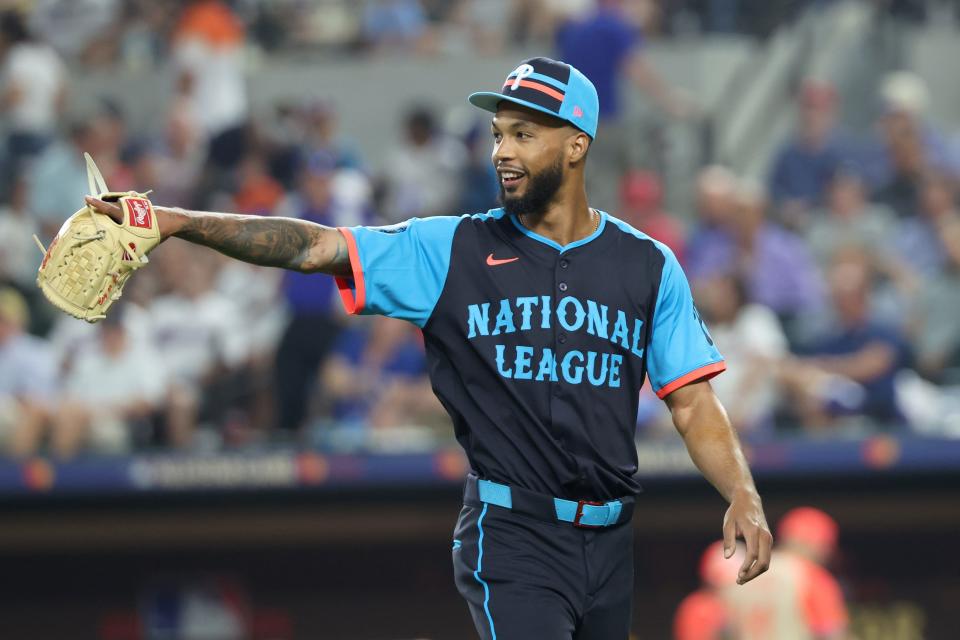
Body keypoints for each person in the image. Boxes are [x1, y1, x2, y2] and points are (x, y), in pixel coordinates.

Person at [85, 56, 772, 638]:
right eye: (499, 132)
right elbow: (316, 245)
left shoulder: (647, 264)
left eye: (524, 133)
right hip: (514, 532)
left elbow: (691, 401)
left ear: (576, 145)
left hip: (614, 538)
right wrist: (176, 221)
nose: (502, 149)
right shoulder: (450, 249)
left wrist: (741, 492)